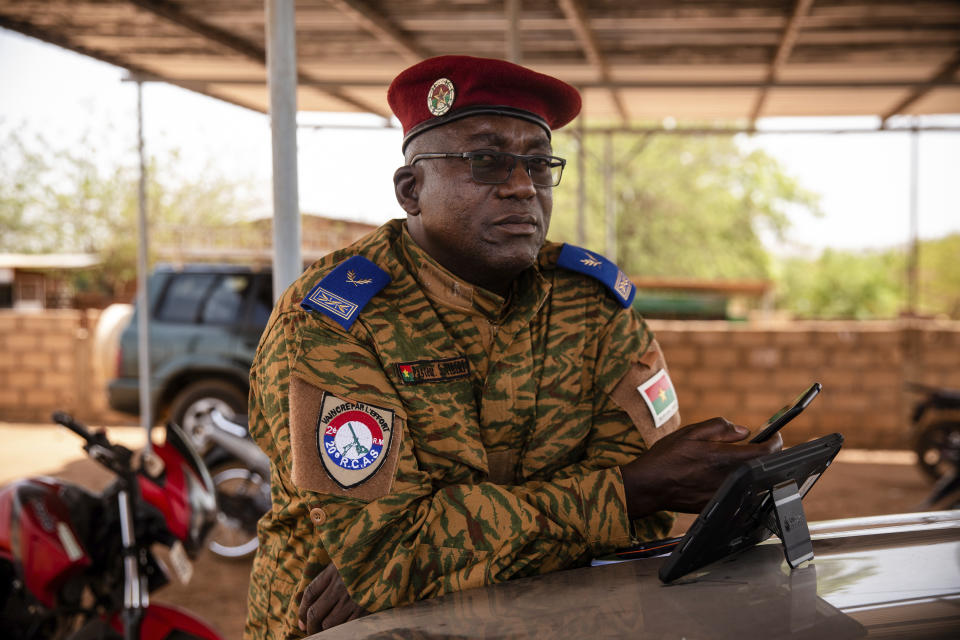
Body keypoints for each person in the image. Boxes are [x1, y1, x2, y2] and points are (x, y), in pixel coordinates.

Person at [244, 55, 781, 639]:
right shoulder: (334, 319)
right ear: (411, 189)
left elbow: (642, 529)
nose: (522, 186)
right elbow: (389, 553)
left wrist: (429, 560)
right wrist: (624, 491)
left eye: (537, 164)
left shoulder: (591, 305)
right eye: (486, 161)